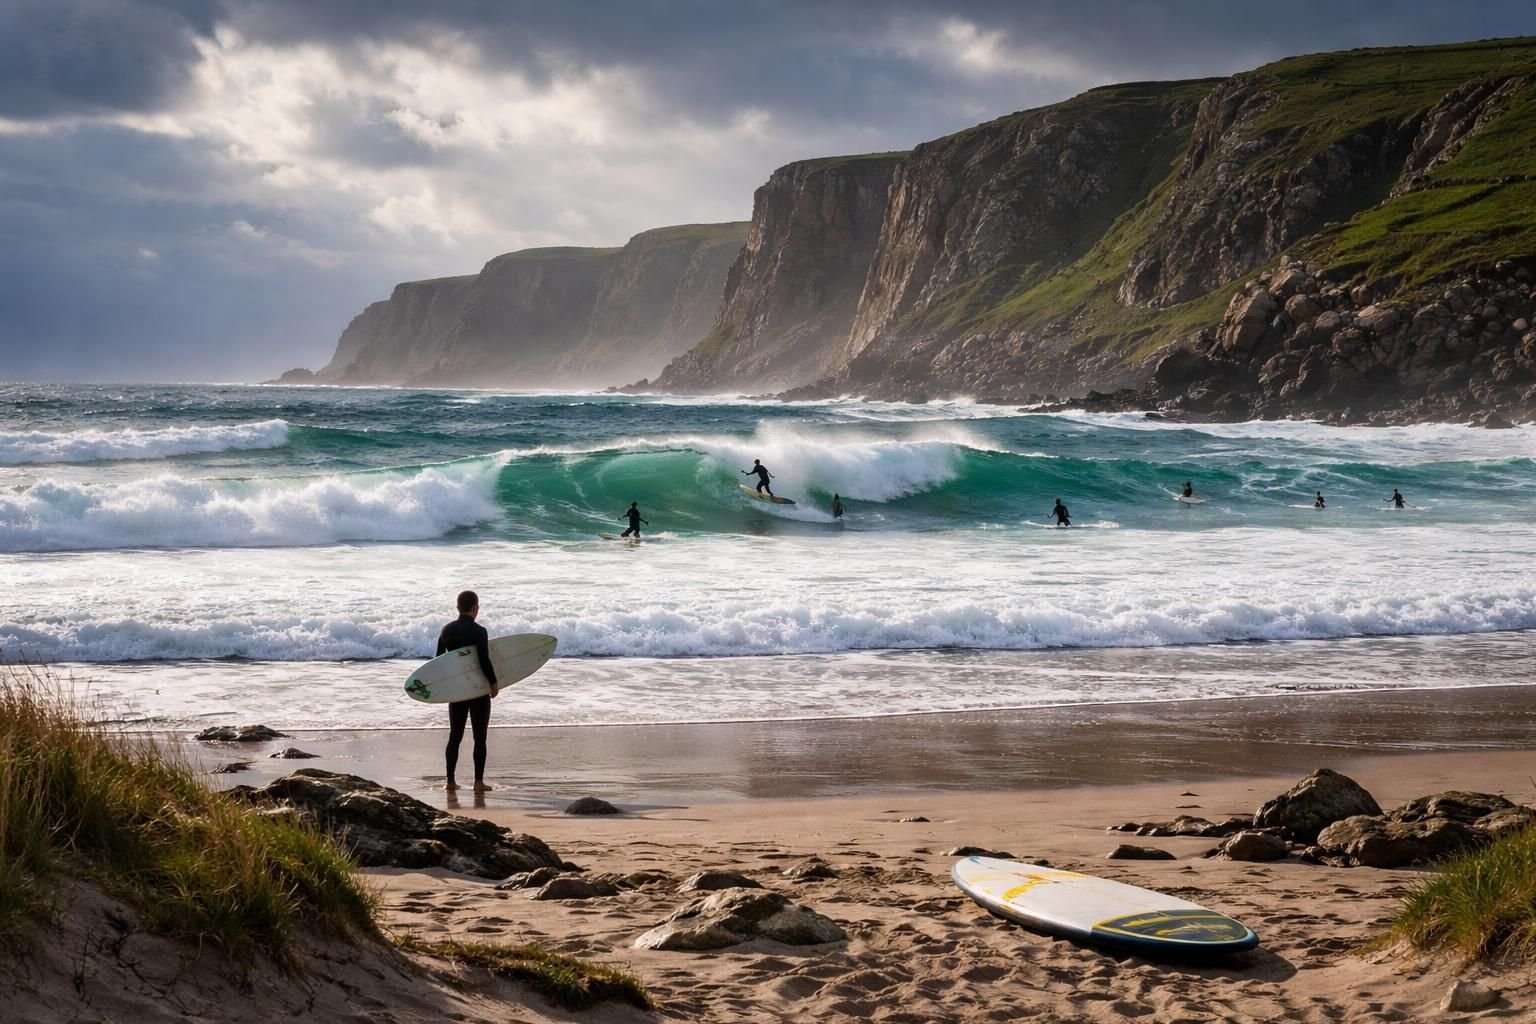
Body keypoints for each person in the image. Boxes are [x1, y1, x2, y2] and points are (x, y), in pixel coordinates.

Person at [437, 589, 498, 794]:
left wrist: (444, 689)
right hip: (477, 690)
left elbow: (438, 662)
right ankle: (478, 782)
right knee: (479, 737)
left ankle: (450, 781)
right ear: (475, 608)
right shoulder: (479, 631)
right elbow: (483, 660)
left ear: (457, 608)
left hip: (457, 691)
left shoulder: (446, 630)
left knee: (455, 735)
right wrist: (493, 683)